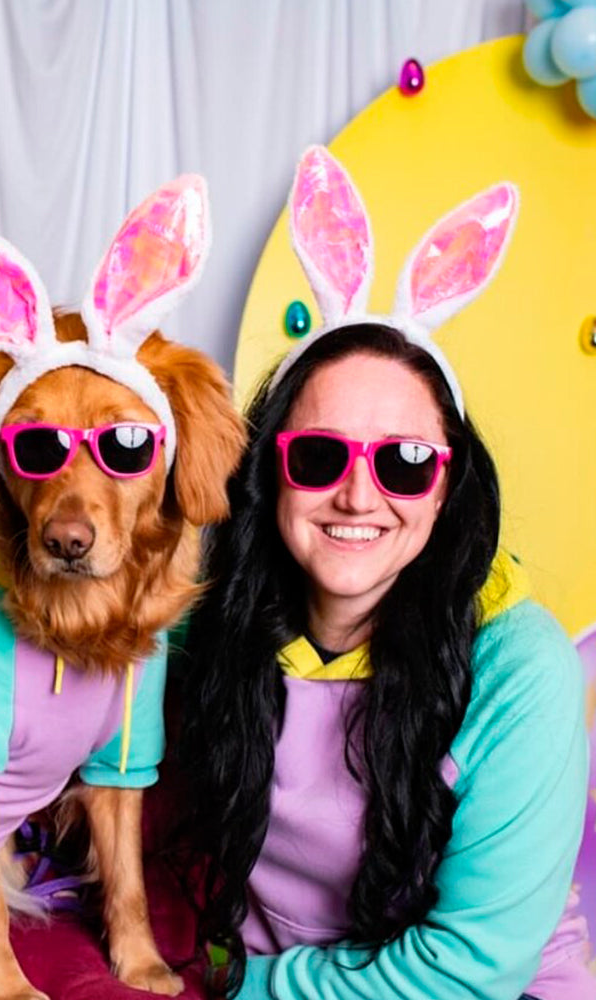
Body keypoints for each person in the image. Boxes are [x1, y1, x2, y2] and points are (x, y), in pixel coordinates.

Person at [179, 147, 594, 999]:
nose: (359, 494)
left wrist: (249, 989)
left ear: (446, 488)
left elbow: (473, 968)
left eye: (405, 461)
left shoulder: (521, 670)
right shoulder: (212, 620)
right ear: (270, 472)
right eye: (321, 455)